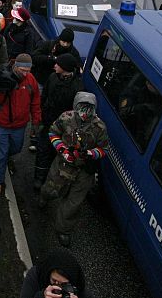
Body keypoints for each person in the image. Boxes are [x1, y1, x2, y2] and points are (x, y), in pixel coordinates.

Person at [40, 92, 108, 247]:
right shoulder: (66, 118)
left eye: (89, 109)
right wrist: (62, 150)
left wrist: (90, 153)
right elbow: (53, 132)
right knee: (51, 190)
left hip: (83, 170)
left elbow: (104, 149)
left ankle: (63, 230)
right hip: (62, 165)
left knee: (74, 203)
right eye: (82, 108)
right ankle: (44, 198)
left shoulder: (100, 127)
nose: (85, 113)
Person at [0, 53, 41, 195]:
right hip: (2, 123)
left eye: (28, 71)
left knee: (16, 148)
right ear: (16, 67)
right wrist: (1, 89)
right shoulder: (5, 78)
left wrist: (36, 121)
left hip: (19, 125)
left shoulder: (31, 81)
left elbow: (35, 101)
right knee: (1, 152)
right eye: (23, 70)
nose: (25, 74)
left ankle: (4, 159)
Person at [34, 53, 83, 190]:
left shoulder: (77, 87)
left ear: (65, 68)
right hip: (48, 123)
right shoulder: (53, 77)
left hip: (63, 129)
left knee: (55, 156)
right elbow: (44, 97)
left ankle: (49, 185)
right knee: (42, 151)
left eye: (58, 64)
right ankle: (38, 179)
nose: (55, 65)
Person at [20, 250, 92, 298]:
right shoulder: (35, 275)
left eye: (63, 284)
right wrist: (42, 296)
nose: (58, 287)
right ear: (48, 274)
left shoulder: (79, 286)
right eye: (54, 281)